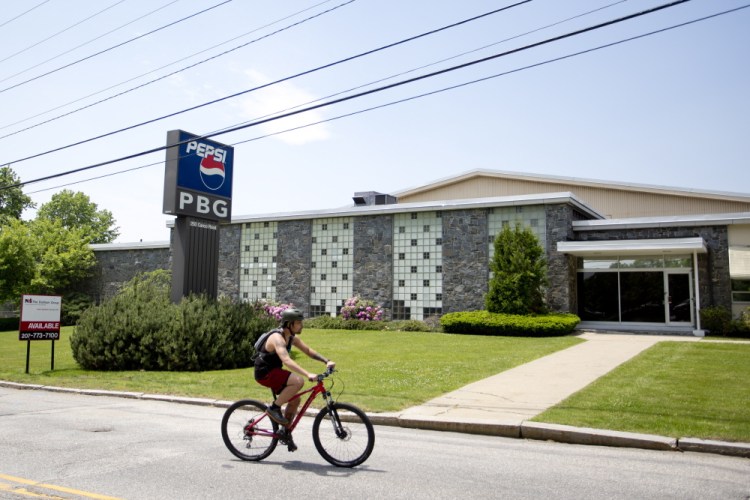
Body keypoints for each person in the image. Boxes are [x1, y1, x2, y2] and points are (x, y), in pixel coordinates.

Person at [253, 307, 335, 452]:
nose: (301, 325)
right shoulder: (277, 338)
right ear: (289, 324)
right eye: (298, 323)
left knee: (295, 400)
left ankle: (285, 433)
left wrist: (326, 361)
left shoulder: (291, 337)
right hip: (264, 373)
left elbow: (308, 351)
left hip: (275, 371)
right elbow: (286, 360)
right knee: (298, 381)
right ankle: (274, 408)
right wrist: (307, 373)